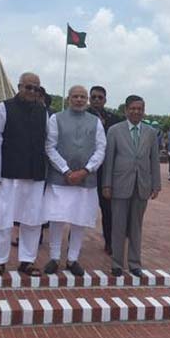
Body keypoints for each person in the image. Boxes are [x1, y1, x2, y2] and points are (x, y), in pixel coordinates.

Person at [0, 72, 47, 277]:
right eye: (27, 87)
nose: (31, 91)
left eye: (35, 88)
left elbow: (46, 143)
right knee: (3, 219)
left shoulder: (42, 110)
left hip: (34, 174)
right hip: (9, 174)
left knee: (32, 220)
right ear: (19, 87)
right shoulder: (4, 108)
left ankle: (27, 261)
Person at [43, 85, 106, 276]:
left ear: (86, 100)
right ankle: (54, 257)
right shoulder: (56, 119)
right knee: (57, 219)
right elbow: (50, 146)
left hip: (85, 180)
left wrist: (86, 170)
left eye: (82, 97)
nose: (79, 100)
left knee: (80, 220)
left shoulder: (95, 122)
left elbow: (101, 149)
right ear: (69, 98)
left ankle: (72, 259)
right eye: (75, 96)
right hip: (61, 178)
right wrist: (66, 170)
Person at [102, 95, 161, 277]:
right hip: (120, 184)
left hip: (141, 184)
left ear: (144, 111)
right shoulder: (114, 131)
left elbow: (154, 160)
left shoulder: (151, 133)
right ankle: (117, 263)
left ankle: (135, 263)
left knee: (136, 226)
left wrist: (156, 184)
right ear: (126, 110)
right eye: (133, 108)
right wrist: (107, 184)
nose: (136, 112)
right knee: (118, 225)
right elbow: (109, 159)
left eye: (140, 109)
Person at [87, 85, 123, 254]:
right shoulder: (82, 116)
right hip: (86, 170)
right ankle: (74, 243)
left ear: (105, 100)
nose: (96, 100)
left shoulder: (115, 120)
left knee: (108, 209)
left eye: (99, 98)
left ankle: (110, 242)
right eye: (93, 97)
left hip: (106, 171)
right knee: (80, 206)